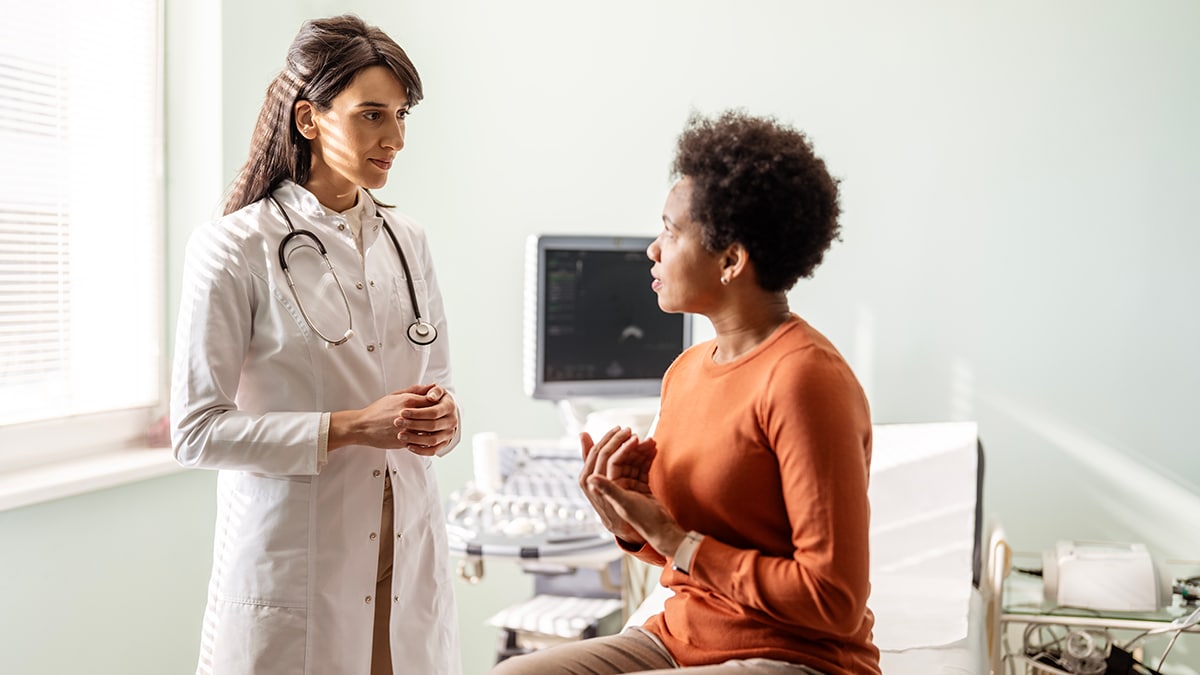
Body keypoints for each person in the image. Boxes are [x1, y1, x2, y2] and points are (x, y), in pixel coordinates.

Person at [490, 110, 880, 675]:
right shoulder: (687, 369)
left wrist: (674, 538)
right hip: (681, 639)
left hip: (794, 655)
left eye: (671, 231)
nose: (653, 249)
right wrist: (632, 524)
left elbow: (834, 601)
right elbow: (684, 551)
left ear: (731, 260)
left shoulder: (804, 379)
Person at [171, 15, 461, 675]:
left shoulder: (407, 240)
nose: (395, 138)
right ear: (310, 119)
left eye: (401, 115)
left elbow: (439, 378)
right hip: (301, 563)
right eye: (371, 115)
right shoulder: (233, 248)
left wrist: (446, 417)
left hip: (404, 554)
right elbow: (196, 432)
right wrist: (354, 426)